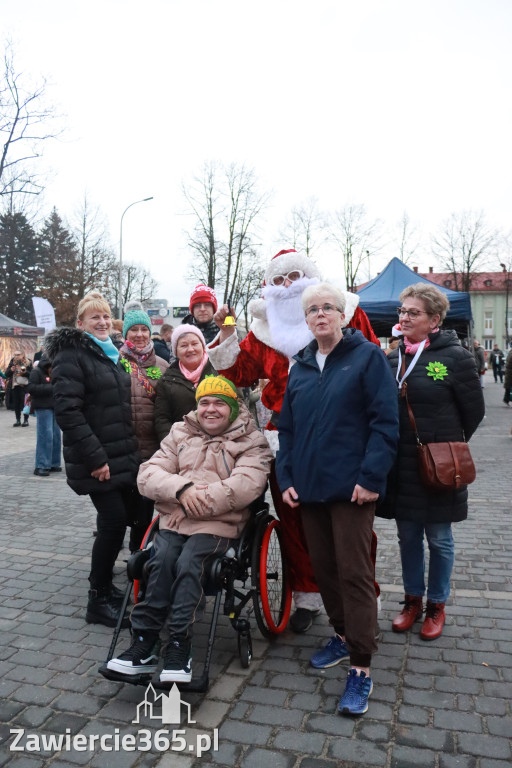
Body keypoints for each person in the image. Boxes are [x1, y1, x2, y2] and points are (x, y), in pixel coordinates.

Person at [208, 248, 382, 634]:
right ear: (268, 287)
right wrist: (226, 333)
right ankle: (307, 594)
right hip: (284, 439)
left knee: (350, 526)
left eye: (295, 277)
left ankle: (360, 598)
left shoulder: (348, 314)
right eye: (279, 280)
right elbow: (238, 371)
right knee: (295, 519)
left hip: (341, 437)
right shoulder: (262, 330)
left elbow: (373, 374)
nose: (287, 286)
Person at [276, 282, 399, 716]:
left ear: (342, 316)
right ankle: (344, 636)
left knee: (354, 573)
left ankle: (361, 666)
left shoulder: (367, 358)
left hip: (352, 489)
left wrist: (370, 477)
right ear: (306, 320)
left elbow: (386, 423)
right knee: (324, 571)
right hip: (309, 489)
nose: (321, 314)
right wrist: (286, 476)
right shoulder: (301, 367)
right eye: (313, 309)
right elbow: (286, 430)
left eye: (329, 307)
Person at [107, 376, 273, 683]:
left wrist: (198, 499)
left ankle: (180, 645)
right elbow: (149, 473)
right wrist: (182, 490)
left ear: (234, 409)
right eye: (204, 402)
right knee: (159, 561)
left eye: (220, 403)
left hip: (218, 525)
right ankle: (144, 642)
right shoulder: (179, 432)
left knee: (189, 564)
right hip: (175, 521)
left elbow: (246, 485)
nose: (211, 409)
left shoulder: (252, 441)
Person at [380, 283, 485, 641]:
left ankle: (436, 604)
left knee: (439, 538)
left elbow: (474, 411)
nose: (404, 318)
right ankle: (412, 600)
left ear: (434, 320)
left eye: (413, 313)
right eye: (402, 312)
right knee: (408, 536)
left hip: (439, 465)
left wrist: (446, 447)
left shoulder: (455, 357)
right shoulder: (393, 357)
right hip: (400, 465)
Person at [45, 291, 141, 628]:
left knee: (117, 521)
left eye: (105, 316)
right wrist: (97, 459)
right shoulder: (72, 356)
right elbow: (68, 413)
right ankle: (97, 598)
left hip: (118, 454)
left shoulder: (107, 354)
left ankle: (105, 588)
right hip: (97, 459)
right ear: (81, 324)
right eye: (94, 318)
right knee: (113, 522)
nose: (101, 322)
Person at [119, 310, 169, 550]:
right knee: (118, 509)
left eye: (144, 329)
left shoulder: (162, 366)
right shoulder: (115, 362)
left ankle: (136, 557)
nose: (139, 334)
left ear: (150, 332)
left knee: (144, 505)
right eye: (134, 330)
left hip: (151, 450)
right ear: (125, 333)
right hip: (121, 448)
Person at [154, 325, 216, 443]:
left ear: (203, 346)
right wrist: (175, 444)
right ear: (176, 351)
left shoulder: (218, 371)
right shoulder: (167, 380)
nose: (190, 349)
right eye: (183, 345)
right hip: (183, 446)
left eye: (194, 344)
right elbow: (162, 419)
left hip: (219, 444)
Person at [27, 356, 62, 477]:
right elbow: (31, 388)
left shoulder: (57, 371)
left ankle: (54, 463)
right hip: (42, 407)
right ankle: (42, 465)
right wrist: (51, 388)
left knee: (56, 436)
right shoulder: (36, 372)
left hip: (55, 406)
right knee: (46, 435)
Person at [5, 350, 32, 427]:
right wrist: (11, 370)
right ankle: (18, 420)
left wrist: (23, 371)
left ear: (23, 354)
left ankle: (26, 420)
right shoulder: (12, 362)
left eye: (18, 354)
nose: (16, 356)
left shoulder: (28, 362)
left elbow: (31, 374)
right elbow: (6, 374)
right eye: (15, 354)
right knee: (16, 404)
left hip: (25, 386)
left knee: (25, 404)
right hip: (15, 385)